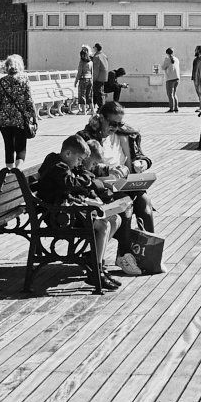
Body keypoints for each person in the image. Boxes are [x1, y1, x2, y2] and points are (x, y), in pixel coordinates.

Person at [35, 134, 129, 290]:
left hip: (68, 210)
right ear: (68, 154)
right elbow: (70, 185)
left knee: (116, 219)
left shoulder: (63, 164)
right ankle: (96, 271)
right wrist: (87, 180)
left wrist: (87, 199)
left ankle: (95, 259)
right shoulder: (58, 166)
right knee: (104, 225)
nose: (80, 164)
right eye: (79, 160)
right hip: (59, 216)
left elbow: (69, 191)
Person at [83, 101, 157, 234]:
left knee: (145, 203)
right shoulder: (87, 138)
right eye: (112, 124)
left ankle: (150, 248)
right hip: (102, 190)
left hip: (124, 183)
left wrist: (142, 164)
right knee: (125, 205)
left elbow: (142, 156)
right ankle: (124, 252)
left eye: (119, 124)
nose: (115, 128)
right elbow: (82, 166)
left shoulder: (126, 135)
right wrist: (107, 170)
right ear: (101, 118)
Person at [0, 54, 38, 168]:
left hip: (4, 120)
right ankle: (17, 171)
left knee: (8, 146)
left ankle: (9, 171)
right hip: (20, 120)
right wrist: (34, 116)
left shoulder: (1, 81)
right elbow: (29, 100)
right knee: (21, 146)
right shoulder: (24, 80)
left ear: (7, 66)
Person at [89, 43, 110, 108]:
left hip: (98, 77)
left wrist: (93, 79)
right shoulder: (104, 55)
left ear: (96, 48)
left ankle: (101, 108)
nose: (93, 48)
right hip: (103, 77)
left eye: (94, 47)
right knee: (99, 92)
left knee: (98, 93)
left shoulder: (97, 57)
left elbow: (96, 69)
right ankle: (94, 107)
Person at [161, 48, 181, 112]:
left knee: (170, 94)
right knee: (174, 93)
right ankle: (176, 107)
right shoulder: (176, 59)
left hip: (170, 78)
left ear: (167, 53)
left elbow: (163, 67)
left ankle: (171, 108)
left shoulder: (167, 59)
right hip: (177, 78)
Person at [76, 45, 94, 113]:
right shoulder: (91, 62)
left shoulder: (82, 62)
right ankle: (92, 110)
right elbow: (92, 72)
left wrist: (76, 81)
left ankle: (83, 111)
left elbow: (79, 73)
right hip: (90, 79)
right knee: (89, 95)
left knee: (82, 95)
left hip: (83, 79)